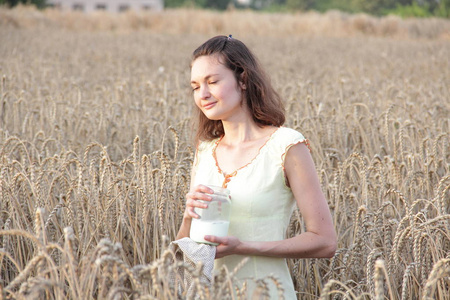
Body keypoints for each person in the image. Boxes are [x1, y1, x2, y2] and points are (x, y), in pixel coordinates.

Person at [176, 35, 337, 299]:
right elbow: (187, 251)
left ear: (243, 79)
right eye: (195, 86)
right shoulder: (205, 151)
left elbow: (324, 241)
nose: (202, 94)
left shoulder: (286, 144)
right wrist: (188, 217)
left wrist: (244, 247)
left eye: (213, 82)